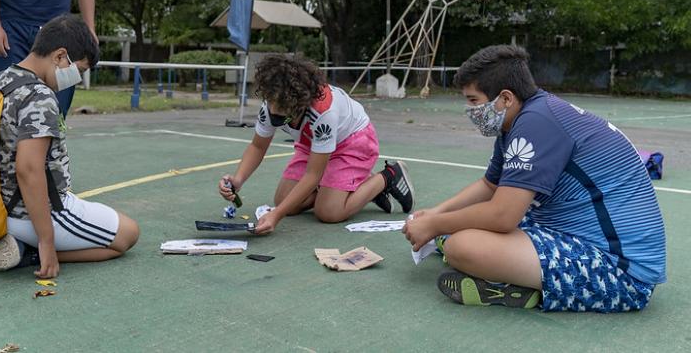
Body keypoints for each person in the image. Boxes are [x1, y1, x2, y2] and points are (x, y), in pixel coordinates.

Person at [403, 44, 666, 312]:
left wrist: (435, 225)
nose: (470, 110)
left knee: (461, 246)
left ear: (505, 98)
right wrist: (436, 214)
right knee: (454, 226)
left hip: (623, 273)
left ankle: (512, 286)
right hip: (575, 232)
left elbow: (503, 216)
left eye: (473, 101)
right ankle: (515, 275)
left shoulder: (537, 123)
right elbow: (489, 185)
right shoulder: (521, 119)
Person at [0, 15, 139, 278]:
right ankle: (27, 253)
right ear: (60, 56)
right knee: (128, 234)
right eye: (80, 70)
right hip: (32, 212)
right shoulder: (40, 96)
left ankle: (13, 240)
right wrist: (47, 241)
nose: (76, 78)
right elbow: (29, 170)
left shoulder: (3, 79)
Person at [218, 54, 415, 234]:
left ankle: (388, 177)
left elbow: (313, 175)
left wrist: (276, 215)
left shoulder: (323, 113)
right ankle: (347, 187)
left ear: (300, 103)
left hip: (352, 142)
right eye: (271, 105)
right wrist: (239, 179)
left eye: (283, 111)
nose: (275, 113)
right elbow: (257, 147)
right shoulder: (272, 102)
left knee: (328, 212)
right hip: (311, 144)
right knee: (285, 202)